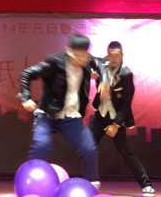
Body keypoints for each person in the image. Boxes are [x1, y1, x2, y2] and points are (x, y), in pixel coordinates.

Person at [18, 32, 102, 188]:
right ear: (69, 51)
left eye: (84, 55)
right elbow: (27, 74)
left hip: (71, 117)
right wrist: (25, 97)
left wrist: (101, 78)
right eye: (77, 55)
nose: (81, 59)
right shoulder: (54, 62)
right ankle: (29, 183)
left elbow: (104, 66)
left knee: (89, 148)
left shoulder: (89, 63)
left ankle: (92, 185)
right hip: (48, 115)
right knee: (41, 145)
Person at [90, 41, 155, 196]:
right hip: (100, 115)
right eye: (110, 55)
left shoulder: (126, 74)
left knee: (125, 152)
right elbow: (87, 60)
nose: (114, 59)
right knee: (88, 147)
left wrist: (116, 125)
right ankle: (91, 180)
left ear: (122, 56)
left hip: (116, 117)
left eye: (117, 55)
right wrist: (90, 74)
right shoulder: (101, 67)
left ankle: (146, 185)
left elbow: (126, 104)